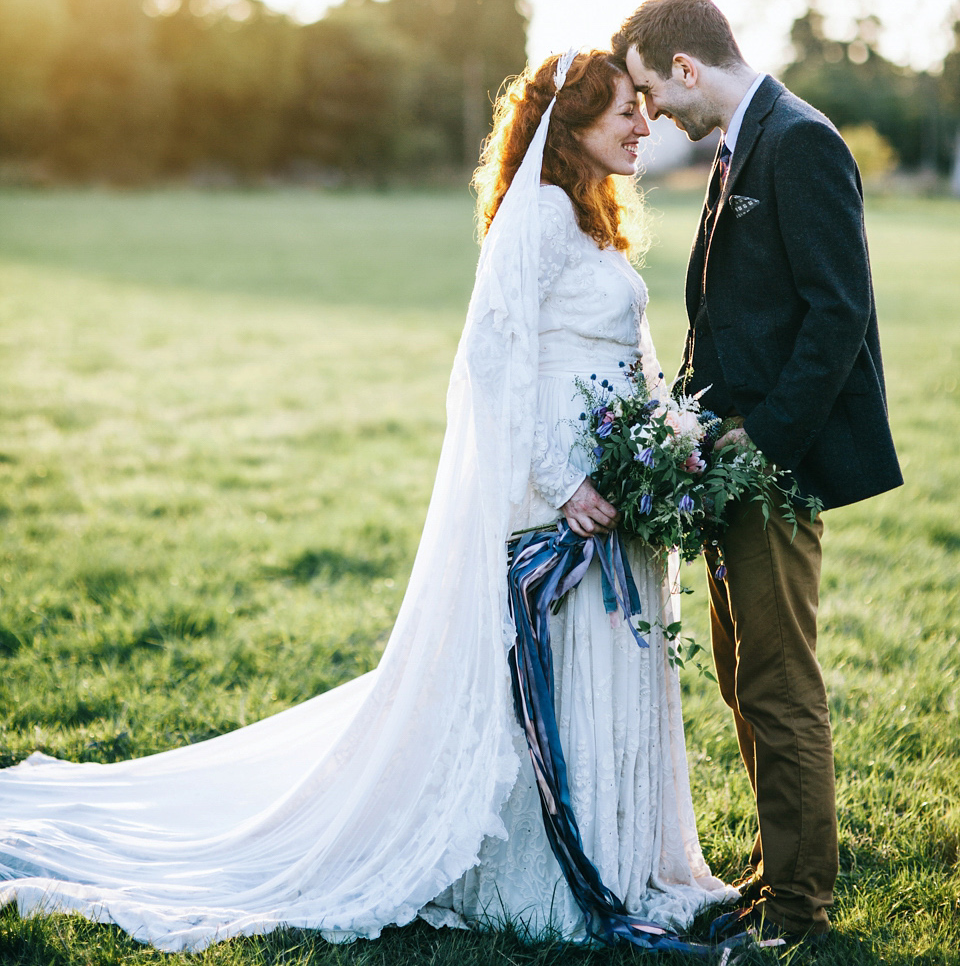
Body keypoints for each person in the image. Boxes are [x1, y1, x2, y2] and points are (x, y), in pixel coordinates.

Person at [0, 49, 730, 951]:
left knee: (609, 673)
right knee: (553, 677)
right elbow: (491, 362)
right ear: (572, 124)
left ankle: (630, 863)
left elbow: (623, 358)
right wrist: (564, 480)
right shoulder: (539, 214)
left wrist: (662, 451)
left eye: (643, 111)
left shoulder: (590, 219)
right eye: (625, 111)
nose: (642, 126)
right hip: (561, 499)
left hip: (612, 490)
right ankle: (553, 875)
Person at [613, 0, 903, 945]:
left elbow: (838, 315)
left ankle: (798, 911)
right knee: (741, 674)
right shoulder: (743, 143)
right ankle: (777, 875)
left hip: (776, 465)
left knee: (780, 685)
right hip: (728, 464)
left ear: (686, 68)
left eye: (653, 92)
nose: (653, 115)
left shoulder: (801, 143)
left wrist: (762, 440)